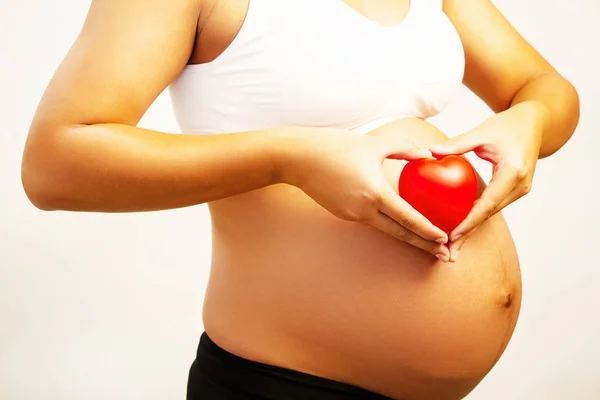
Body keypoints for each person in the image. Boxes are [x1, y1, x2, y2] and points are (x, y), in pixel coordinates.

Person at [21, 0, 580, 398]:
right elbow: (54, 163)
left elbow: (546, 89)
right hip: (285, 384)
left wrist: (529, 122)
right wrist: (287, 159)